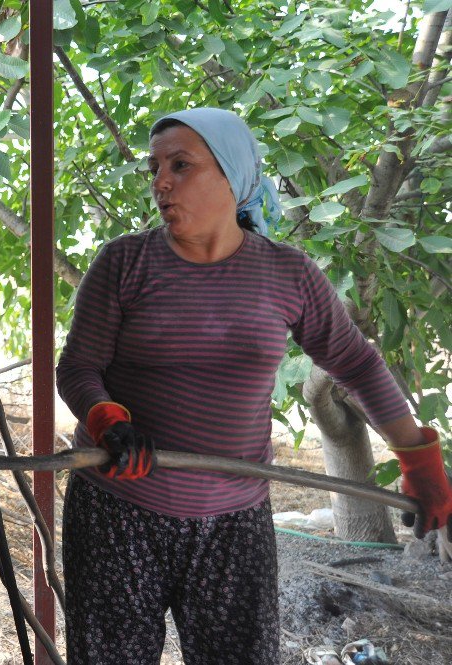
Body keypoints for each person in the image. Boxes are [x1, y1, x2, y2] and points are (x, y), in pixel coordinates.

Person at [56, 107, 452, 665]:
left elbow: (355, 364)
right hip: (119, 513)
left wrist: (418, 458)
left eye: (181, 165)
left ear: (232, 177)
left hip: (233, 524)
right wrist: (107, 421)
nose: (160, 182)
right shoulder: (124, 262)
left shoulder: (288, 273)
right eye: (155, 168)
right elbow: (78, 367)